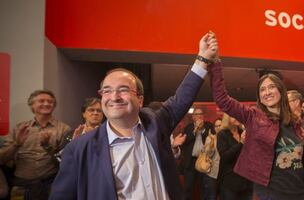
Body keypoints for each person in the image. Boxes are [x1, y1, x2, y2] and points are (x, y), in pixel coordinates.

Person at [49, 32, 218, 200]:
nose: (114, 97)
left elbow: (181, 99)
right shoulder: (80, 148)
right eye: (107, 91)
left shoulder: (155, 124)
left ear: (140, 99)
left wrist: (202, 59)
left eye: (123, 89)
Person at [208, 33, 304, 199]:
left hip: (299, 193)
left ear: (280, 91)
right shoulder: (253, 116)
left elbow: (300, 162)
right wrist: (215, 63)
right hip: (271, 194)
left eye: (271, 87)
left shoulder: (293, 121)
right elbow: (222, 100)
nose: (267, 92)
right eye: (262, 90)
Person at [0, 90, 71, 200]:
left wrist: (48, 146)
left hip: (50, 186)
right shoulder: (19, 128)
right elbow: (2, 159)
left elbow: (66, 161)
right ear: (32, 105)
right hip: (21, 186)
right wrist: (16, 144)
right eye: (41, 101)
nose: (47, 104)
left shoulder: (64, 129)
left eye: (50, 102)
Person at [180, 108, 215, 200]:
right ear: (193, 117)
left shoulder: (209, 126)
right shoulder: (188, 128)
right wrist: (195, 130)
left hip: (203, 161)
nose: (199, 116)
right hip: (190, 162)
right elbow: (184, 142)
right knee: (188, 188)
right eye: (196, 114)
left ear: (203, 116)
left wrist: (202, 129)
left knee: (204, 188)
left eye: (200, 114)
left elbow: (212, 140)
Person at [55, 97, 104, 162]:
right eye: (91, 110)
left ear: (103, 114)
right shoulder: (71, 134)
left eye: (99, 111)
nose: (95, 113)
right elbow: (60, 159)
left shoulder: (108, 133)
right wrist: (74, 143)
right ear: (84, 114)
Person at [217, 115, 252, 200]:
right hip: (230, 181)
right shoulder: (223, 134)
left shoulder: (242, 132)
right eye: (233, 115)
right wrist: (240, 143)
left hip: (245, 180)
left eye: (237, 114)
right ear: (227, 119)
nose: (237, 116)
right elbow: (224, 157)